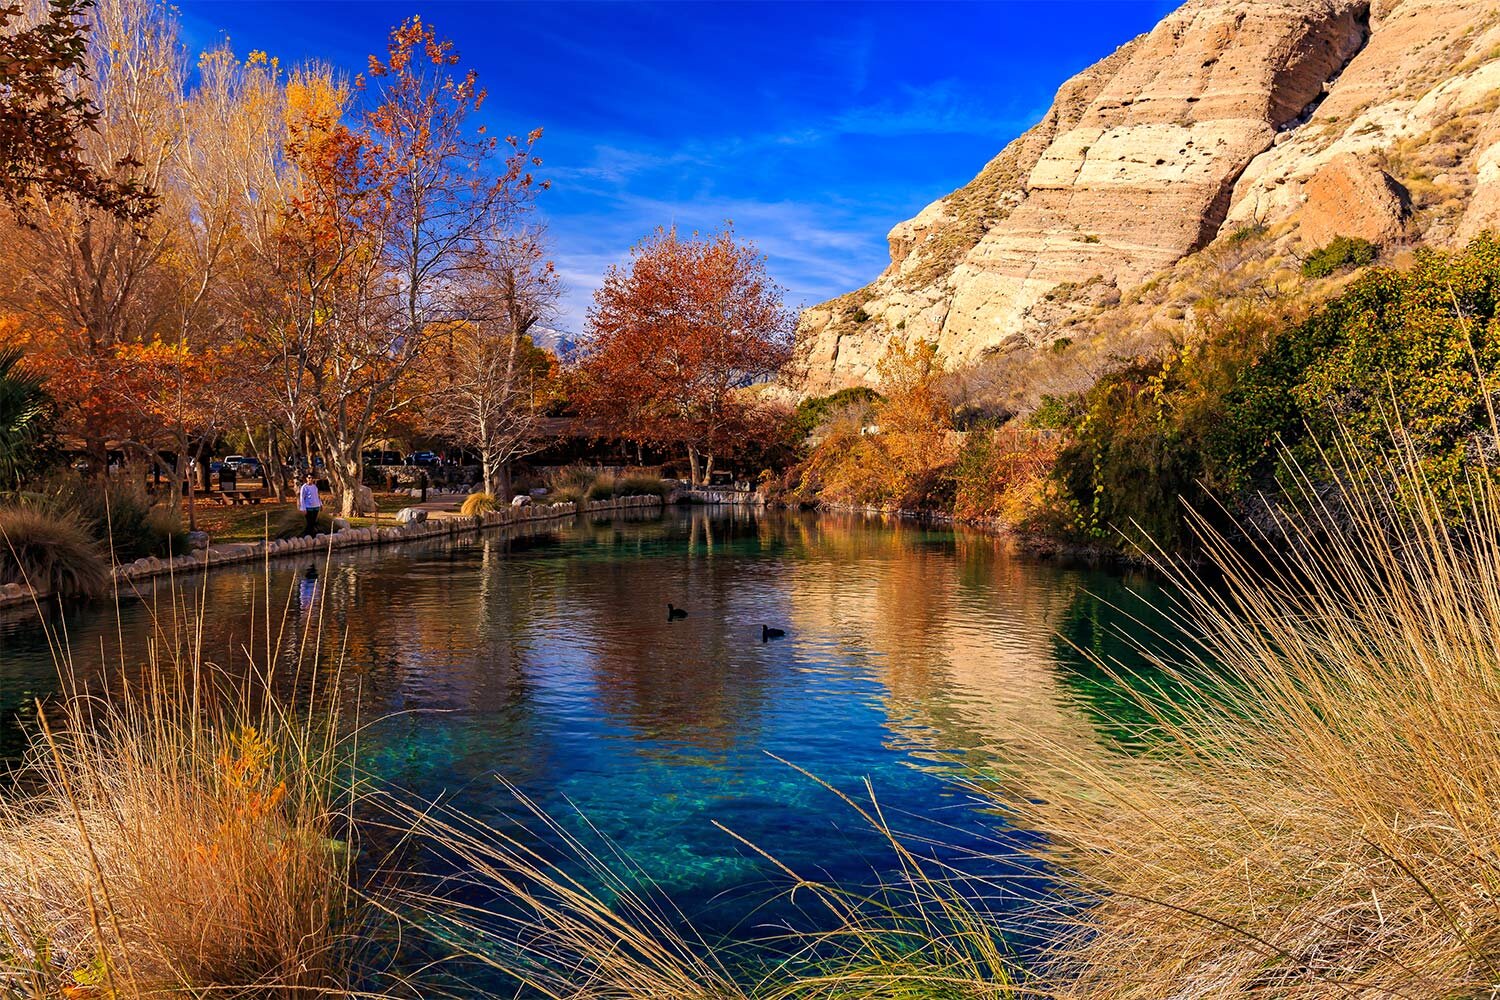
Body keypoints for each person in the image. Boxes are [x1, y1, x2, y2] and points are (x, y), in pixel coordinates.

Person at [298, 472, 322, 536]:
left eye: (312, 478)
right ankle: (307, 535)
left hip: (316, 506)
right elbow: (302, 498)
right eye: (309, 478)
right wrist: (303, 508)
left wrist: (320, 504)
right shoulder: (304, 487)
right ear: (306, 479)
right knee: (309, 522)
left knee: (314, 522)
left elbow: (317, 496)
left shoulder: (315, 487)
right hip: (308, 507)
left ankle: (312, 535)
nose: (310, 479)